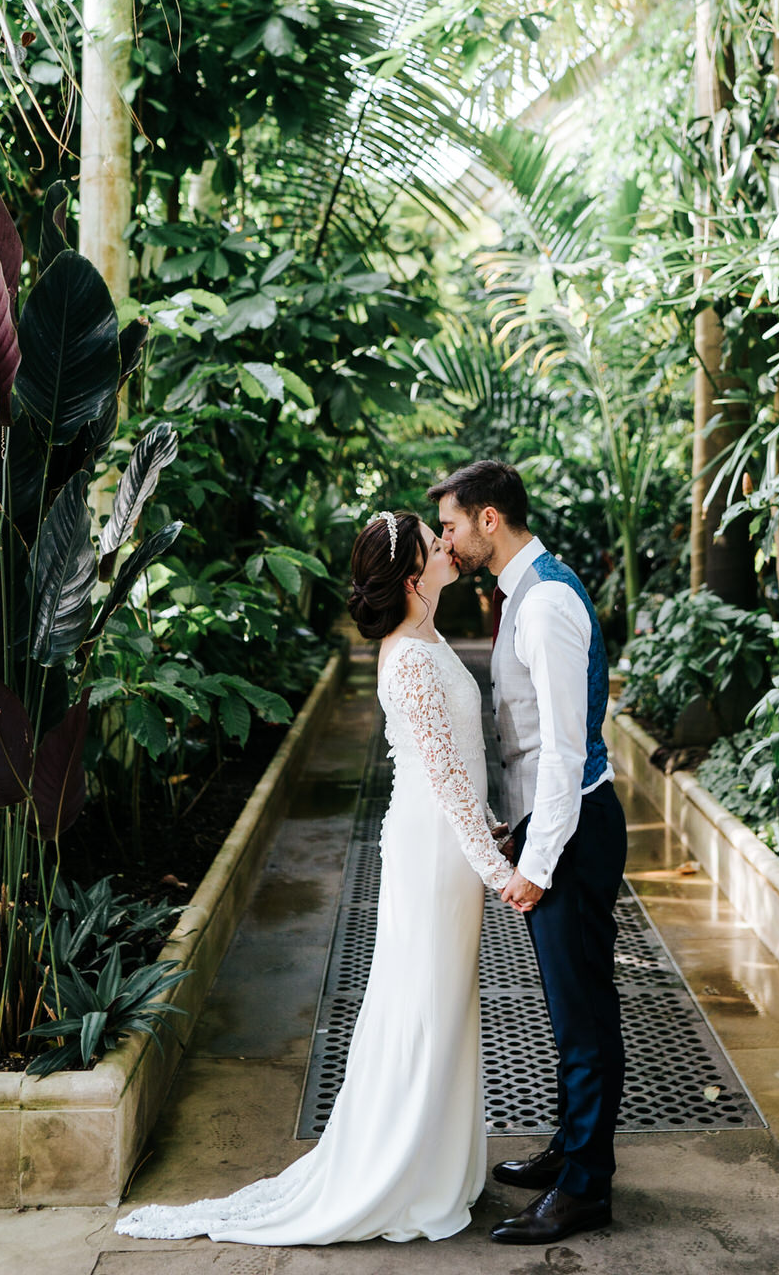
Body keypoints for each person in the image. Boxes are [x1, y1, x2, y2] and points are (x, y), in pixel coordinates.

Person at [115, 510, 514, 1246]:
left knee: (442, 998)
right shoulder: (413, 658)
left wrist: (488, 829)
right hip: (432, 851)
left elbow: (455, 764)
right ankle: (399, 1171)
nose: (447, 547)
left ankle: (434, 1165)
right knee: (419, 1004)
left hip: (445, 842)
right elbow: (444, 782)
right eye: (435, 545)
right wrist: (499, 872)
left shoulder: (423, 640)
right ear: (410, 575)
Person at [429, 460, 627, 1247]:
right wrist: (516, 830)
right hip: (555, 821)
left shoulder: (542, 603)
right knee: (567, 1008)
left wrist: (535, 864)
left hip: (573, 829)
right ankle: (569, 1150)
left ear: (487, 519)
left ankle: (585, 1188)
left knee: (582, 1017)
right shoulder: (525, 588)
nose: (445, 539)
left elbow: (564, 752)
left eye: (450, 525)